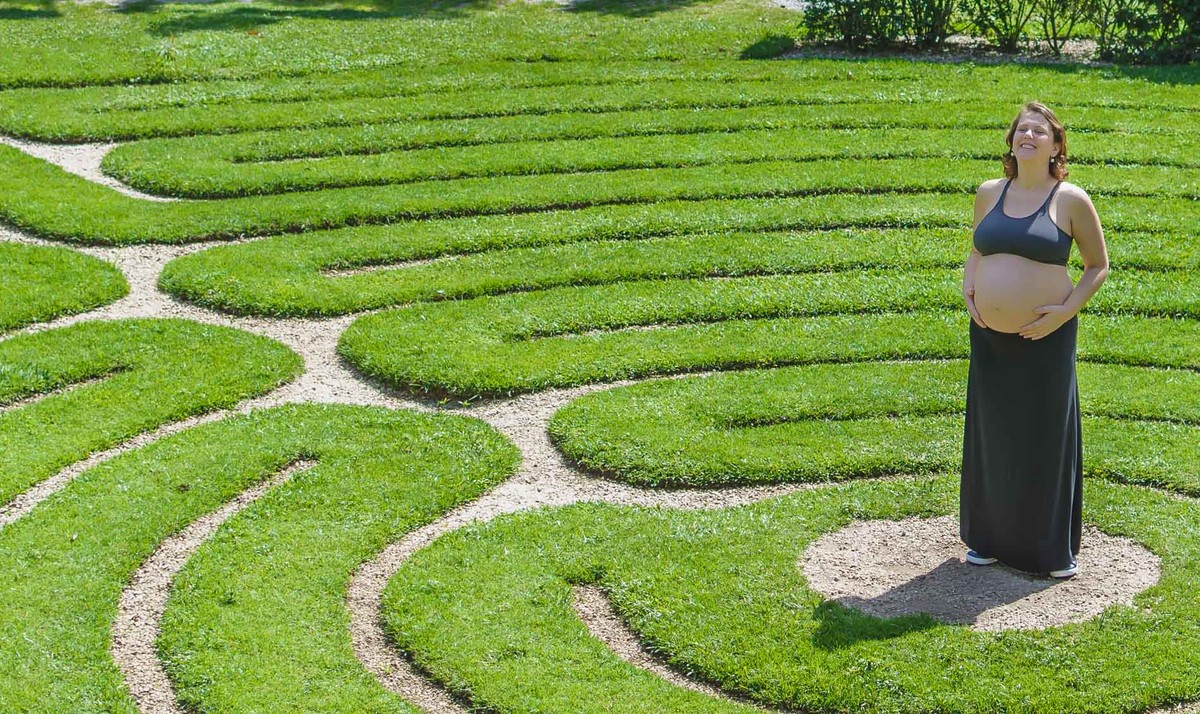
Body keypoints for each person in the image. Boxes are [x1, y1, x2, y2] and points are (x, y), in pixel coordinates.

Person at [959, 102, 1109, 579]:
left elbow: (1097, 266)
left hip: (1047, 337)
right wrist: (970, 287)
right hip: (990, 338)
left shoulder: (1070, 200)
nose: (1028, 134)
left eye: (1038, 130)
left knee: (1044, 437)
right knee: (992, 433)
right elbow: (979, 247)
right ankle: (986, 539)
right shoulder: (988, 192)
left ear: (1055, 145)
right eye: (1021, 128)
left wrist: (1064, 313)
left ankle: (1048, 552)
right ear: (1011, 141)